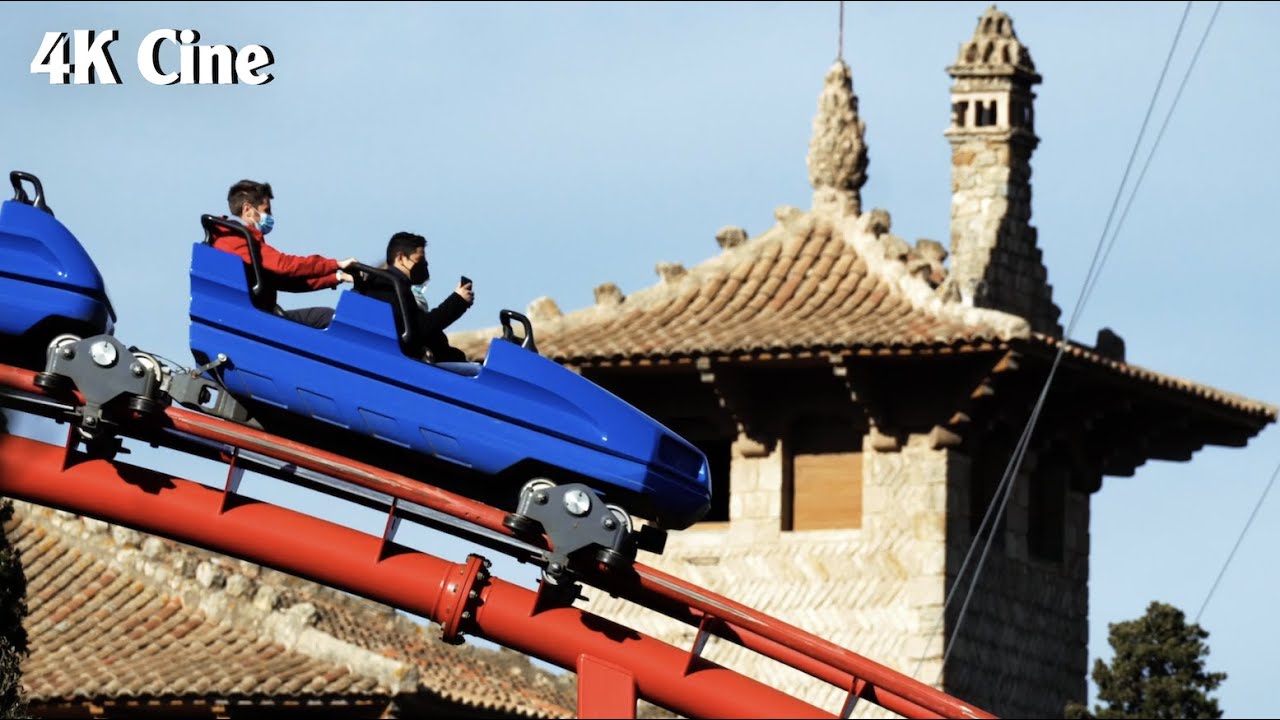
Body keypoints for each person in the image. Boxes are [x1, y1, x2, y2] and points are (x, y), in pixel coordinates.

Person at [208, 179, 359, 329]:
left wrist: (337, 277)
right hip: (258, 319)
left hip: (259, 314)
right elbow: (284, 266)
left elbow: (285, 280)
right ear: (247, 209)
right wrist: (336, 264)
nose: (270, 217)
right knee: (328, 319)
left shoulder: (236, 239)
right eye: (266, 210)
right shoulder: (236, 239)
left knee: (326, 316)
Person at [358, 231, 474, 363]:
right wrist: (457, 301)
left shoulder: (394, 285)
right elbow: (421, 328)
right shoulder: (387, 286)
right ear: (401, 258)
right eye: (419, 260)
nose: (424, 265)